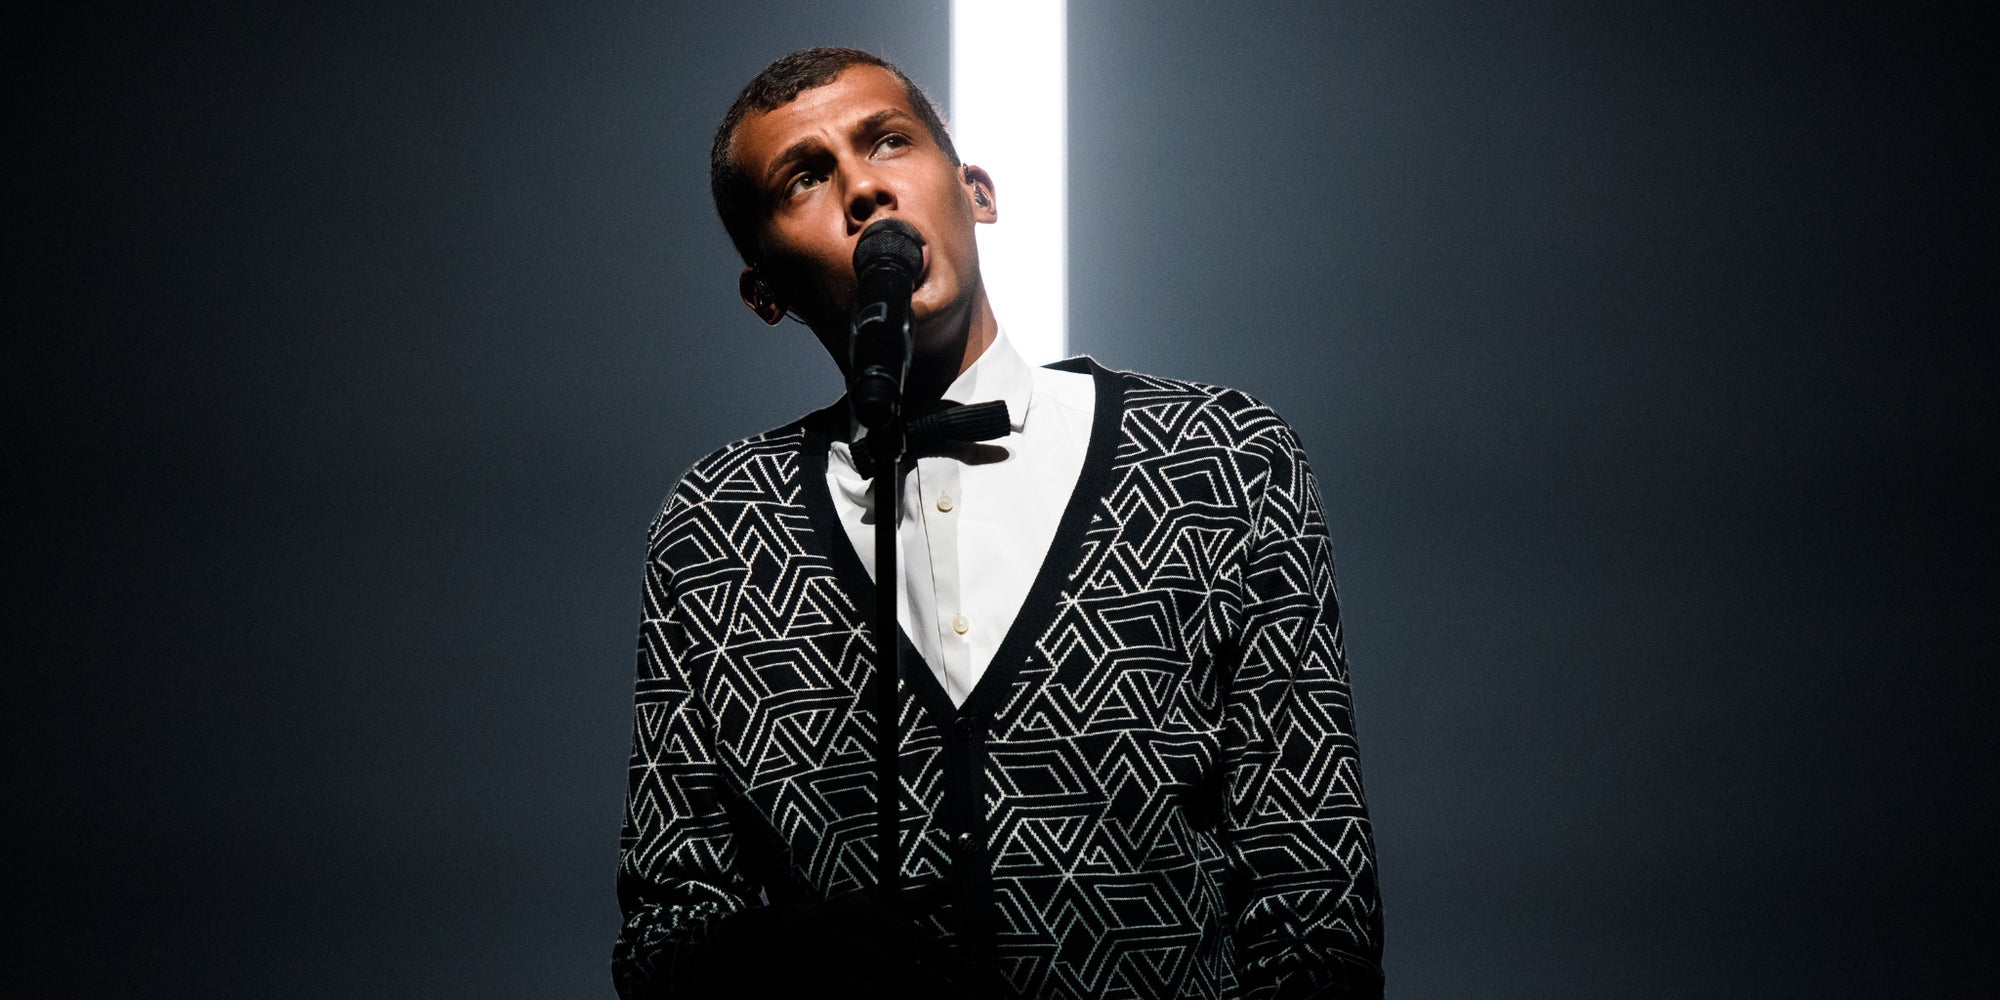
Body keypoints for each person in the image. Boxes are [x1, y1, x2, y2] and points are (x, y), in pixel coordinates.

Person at [614, 47, 1383, 998]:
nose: (865, 190)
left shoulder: (1217, 458)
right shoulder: (717, 526)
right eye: (805, 178)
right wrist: (784, 957)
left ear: (975, 191)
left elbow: (1316, 902)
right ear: (763, 292)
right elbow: (667, 928)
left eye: (889, 141)